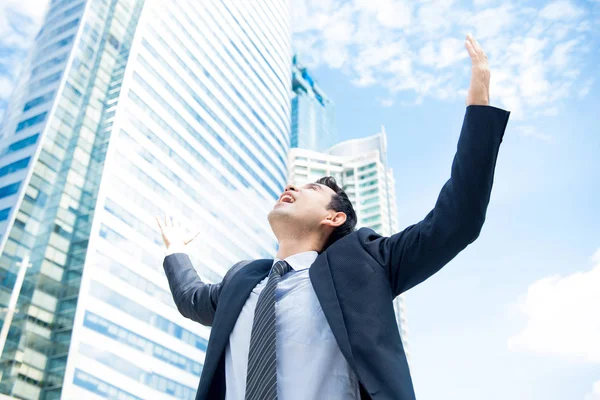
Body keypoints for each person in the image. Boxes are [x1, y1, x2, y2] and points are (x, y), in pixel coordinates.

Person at [156, 34, 510, 400]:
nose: (292, 185)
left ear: (334, 218)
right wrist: (175, 251)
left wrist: (479, 109)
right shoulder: (241, 281)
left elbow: (458, 219)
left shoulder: (366, 264)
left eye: (311, 189)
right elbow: (191, 297)